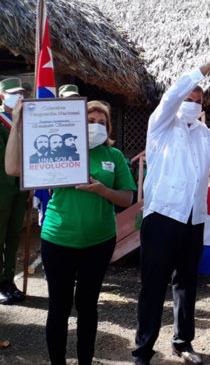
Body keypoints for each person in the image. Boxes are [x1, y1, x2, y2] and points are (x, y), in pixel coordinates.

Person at [132, 48, 210, 365]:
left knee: (186, 284)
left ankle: (183, 342)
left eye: (198, 99)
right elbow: (172, 95)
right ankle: (143, 347)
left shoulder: (203, 132)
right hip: (163, 216)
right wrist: (208, 67)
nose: (193, 102)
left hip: (194, 219)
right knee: (153, 285)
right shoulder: (161, 124)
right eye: (189, 97)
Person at [6, 99, 136, 364]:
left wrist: (104, 191)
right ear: (76, 123)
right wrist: (18, 121)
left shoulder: (114, 156)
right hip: (58, 240)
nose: (96, 126)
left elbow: (127, 198)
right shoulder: (59, 151)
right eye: (90, 121)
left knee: (88, 307)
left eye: (102, 123)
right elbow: (13, 168)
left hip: (98, 243)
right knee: (59, 307)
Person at [0, 77, 28, 305]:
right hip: (2, 187)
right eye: (14, 93)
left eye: (21, 93)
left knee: (14, 236)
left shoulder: (27, 121)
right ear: (2, 96)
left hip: (21, 187)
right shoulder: (1, 122)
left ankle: (9, 280)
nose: (19, 97)